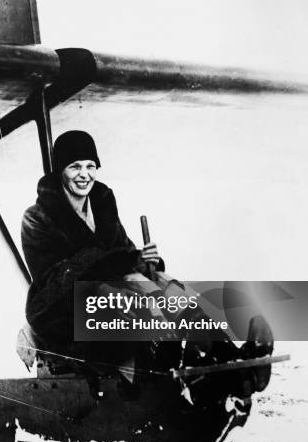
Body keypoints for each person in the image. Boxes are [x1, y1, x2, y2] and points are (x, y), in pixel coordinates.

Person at [20, 130, 273, 392]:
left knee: (166, 284)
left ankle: (232, 357)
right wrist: (118, 267)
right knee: (136, 294)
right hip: (61, 308)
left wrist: (143, 260)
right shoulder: (37, 218)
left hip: (108, 288)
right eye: (75, 167)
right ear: (60, 170)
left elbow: (123, 251)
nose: (84, 175)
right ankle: (184, 369)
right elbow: (55, 280)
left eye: (91, 166)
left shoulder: (101, 203)